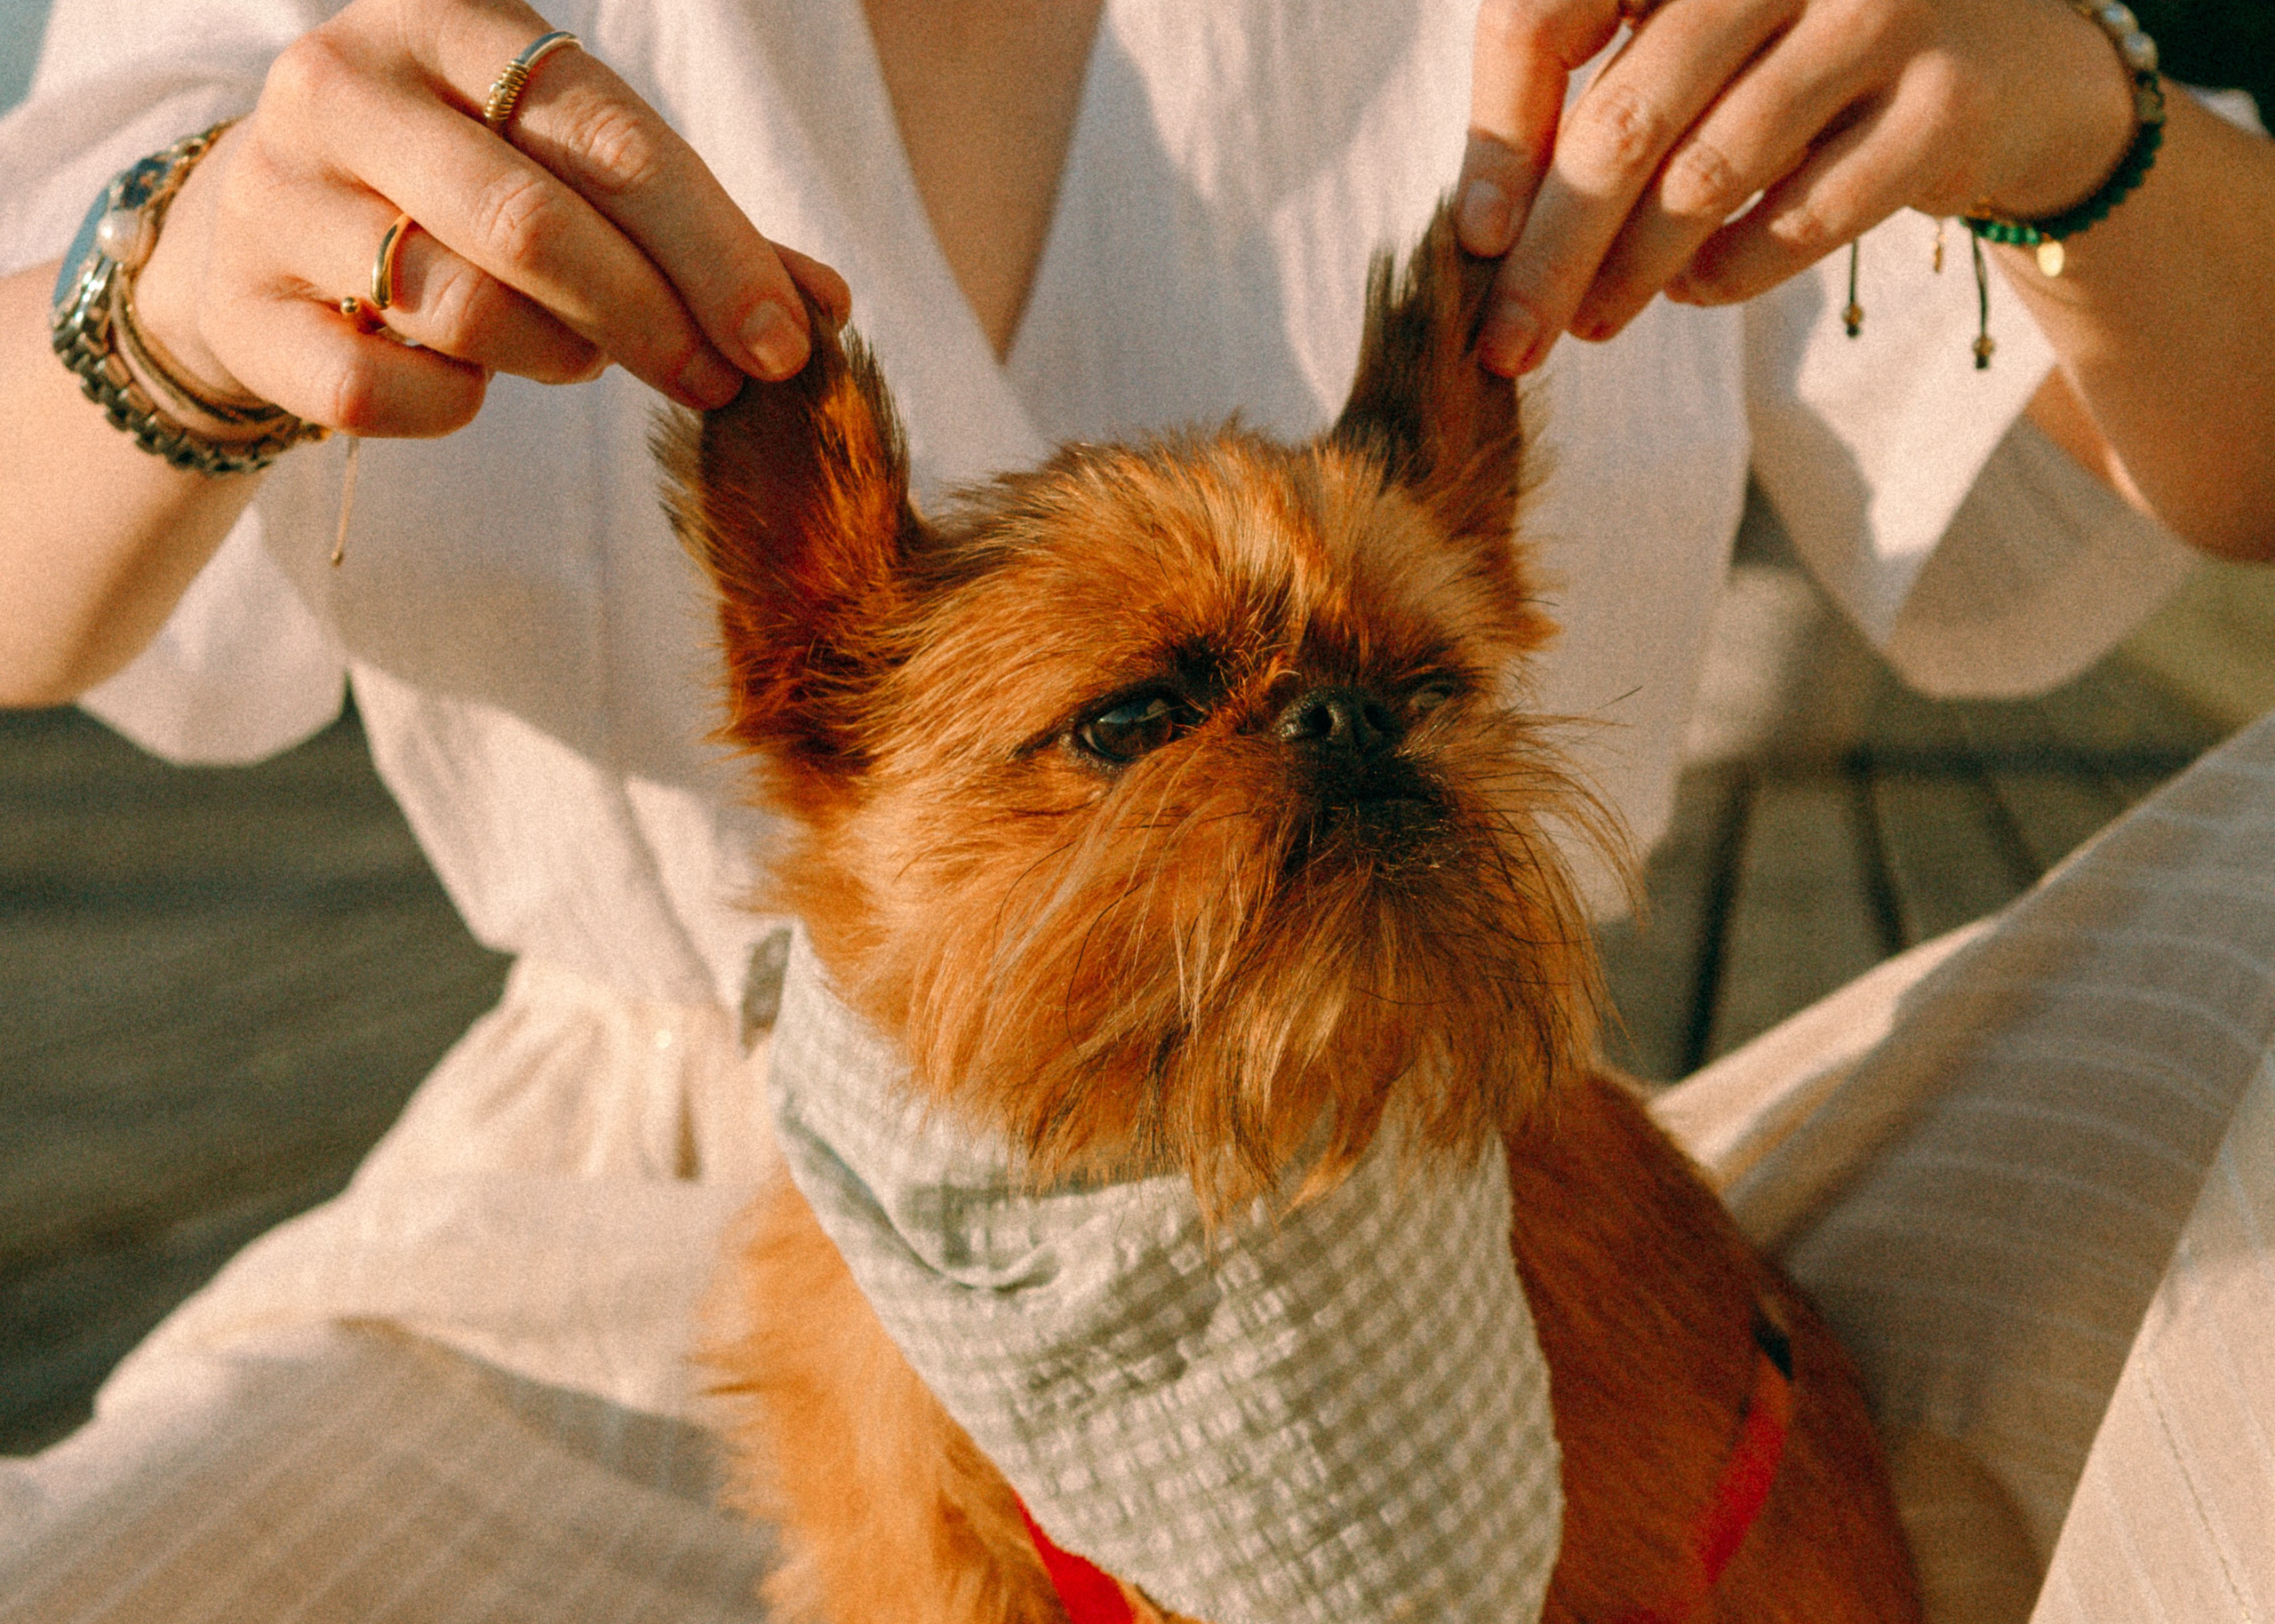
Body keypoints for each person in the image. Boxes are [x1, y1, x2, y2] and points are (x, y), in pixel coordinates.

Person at [0, 0, 2270, 1618]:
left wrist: (2072, 128)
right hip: (601, 1246)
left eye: (1413, 688)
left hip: (1488, 1138)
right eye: (1138, 716)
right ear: (799, 666)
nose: (1332, 740)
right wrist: (166, 307)